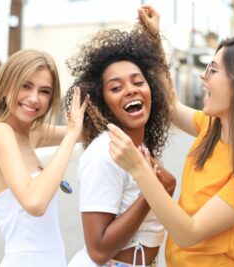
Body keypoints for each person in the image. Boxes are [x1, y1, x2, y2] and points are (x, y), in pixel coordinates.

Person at [107, 5, 234, 267]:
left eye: (213, 71)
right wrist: (155, 40)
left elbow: (188, 233)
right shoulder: (212, 127)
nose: (204, 78)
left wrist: (138, 168)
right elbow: (171, 105)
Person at [64, 14, 175, 267]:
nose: (131, 89)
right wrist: (154, 191)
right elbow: (98, 250)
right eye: (116, 88)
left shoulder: (139, 147)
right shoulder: (105, 153)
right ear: (103, 103)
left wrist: (154, 38)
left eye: (138, 82)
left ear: (151, 91)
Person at [0, 49, 88, 267]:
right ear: (4, 86)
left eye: (44, 91)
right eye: (26, 86)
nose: (34, 98)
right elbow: (34, 202)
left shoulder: (30, 133)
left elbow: (86, 131)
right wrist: (69, 135)